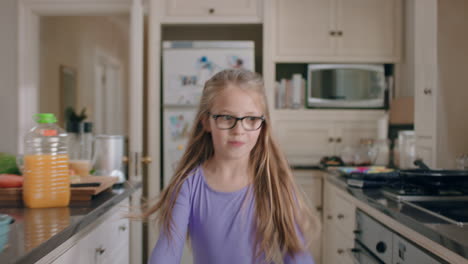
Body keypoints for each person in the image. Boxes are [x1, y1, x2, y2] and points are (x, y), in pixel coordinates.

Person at [144, 69, 320, 264]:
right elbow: (167, 251)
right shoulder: (188, 185)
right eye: (227, 118)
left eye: (251, 119)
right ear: (207, 122)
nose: (239, 130)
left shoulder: (275, 185)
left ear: (263, 125)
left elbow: (297, 256)